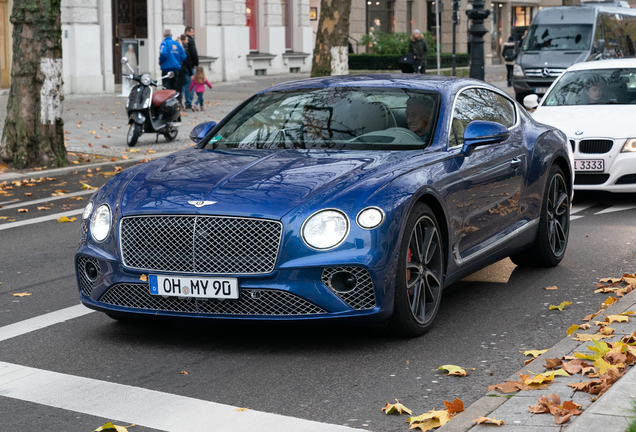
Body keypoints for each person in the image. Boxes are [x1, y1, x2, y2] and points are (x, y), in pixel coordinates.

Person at [182, 26, 199, 111]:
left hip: (180, 67)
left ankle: (179, 103)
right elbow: (193, 53)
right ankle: (188, 103)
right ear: (187, 32)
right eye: (192, 32)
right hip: (190, 66)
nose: (193, 34)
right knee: (190, 85)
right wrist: (196, 63)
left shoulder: (179, 40)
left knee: (181, 85)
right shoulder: (190, 41)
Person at [175, 35, 192, 107]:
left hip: (175, 69)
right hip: (182, 69)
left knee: (175, 86)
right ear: (183, 40)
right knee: (180, 87)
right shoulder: (184, 48)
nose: (188, 42)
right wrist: (191, 73)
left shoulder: (174, 46)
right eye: (187, 40)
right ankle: (179, 102)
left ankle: (176, 102)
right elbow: (186, 59)